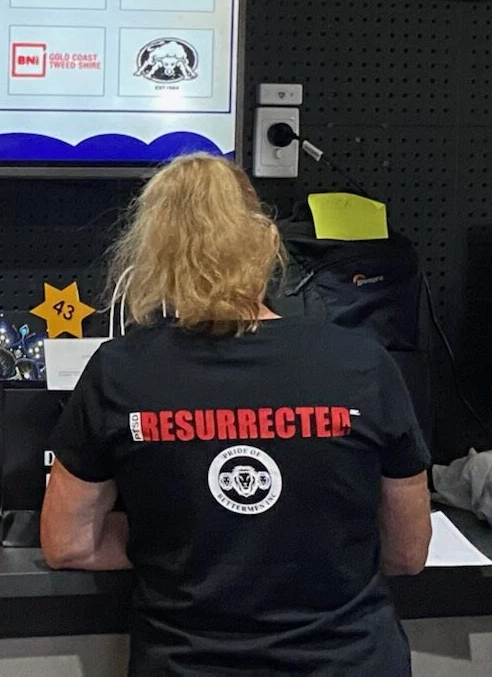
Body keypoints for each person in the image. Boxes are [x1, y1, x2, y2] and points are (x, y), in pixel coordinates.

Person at [40, 154, 432, 676]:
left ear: (154, 255)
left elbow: (68, 545)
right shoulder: (363, 363)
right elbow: (408, 552)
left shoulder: (118, 372)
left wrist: (174, 540)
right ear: (265, 242)